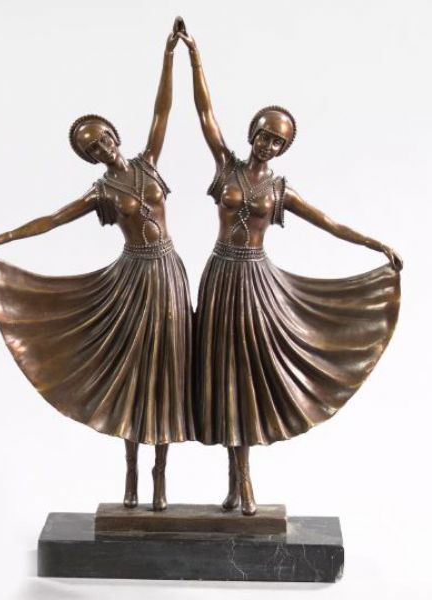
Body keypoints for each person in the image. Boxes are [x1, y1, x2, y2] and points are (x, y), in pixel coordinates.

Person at [177, 30, 402, 516]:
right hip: (220, 279)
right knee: (222, 372)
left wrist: (375, 244)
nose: (269, 144)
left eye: (278, 141)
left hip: (256, 283)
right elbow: (204, 114)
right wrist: (194, 57)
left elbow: (329, 222)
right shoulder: (225, 167)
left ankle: (244, 482)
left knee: (247, 374)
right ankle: (236, 483)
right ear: (252, 133)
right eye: (264, 135)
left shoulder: (281, 191)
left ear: (283, 148)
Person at [0, 27, 195, 511]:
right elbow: (53, 219)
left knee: (170, 372)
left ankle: (161, 476)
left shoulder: (149, 163)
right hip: (134, 281)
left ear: (114, 136)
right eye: (91, 148)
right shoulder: (101, 192)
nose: (101, 149)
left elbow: (163, 111)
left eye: (103, 139)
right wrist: (4, 237)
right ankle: (132, 475)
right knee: (137, 375)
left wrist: (170, 57)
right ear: (89, 157)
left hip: (169, 277)